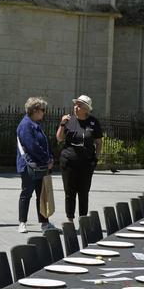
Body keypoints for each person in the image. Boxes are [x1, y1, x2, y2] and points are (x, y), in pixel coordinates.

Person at [56, 94, 104, 223]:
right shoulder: (68, 120)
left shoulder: (93, 122)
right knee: (69, 192)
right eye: (75, 104)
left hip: (86, 163)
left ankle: (83, 220)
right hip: (68, 162)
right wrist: (62, 124)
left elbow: (99, 142)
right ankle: (70, 220)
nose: (76, 107)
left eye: (79, 105)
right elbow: (59, 138)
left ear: (86, 109)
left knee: (83, 192)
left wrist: (96, 159)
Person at [16, 97, 57, 233]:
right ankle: (22, 222)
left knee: (42, 194)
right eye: (42, 110)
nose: (44, 113)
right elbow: (32, 146)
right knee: (27, 193)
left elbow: (44, 143)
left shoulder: (35, 124)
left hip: (40, 165)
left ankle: (44, 222)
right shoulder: (26, 125)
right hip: (29, 166)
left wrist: (50, 157)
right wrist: (46, 159)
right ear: (34, 110)